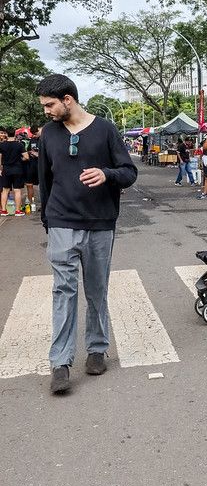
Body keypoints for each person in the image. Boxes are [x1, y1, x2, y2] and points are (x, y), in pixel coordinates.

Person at [35, 74, 138, 394]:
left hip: (100, 224)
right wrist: (47, 220)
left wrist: (106, 174)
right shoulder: (48, 135)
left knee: (96, 290)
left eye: (50, 104)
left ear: (68, 99)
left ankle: (96, 349)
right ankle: (60, 361)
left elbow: (128, 172)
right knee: (63, 291)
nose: (47, 111)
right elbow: (44, 181)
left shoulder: (106, 130)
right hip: (62, 221)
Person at [0, 128, 29, 216]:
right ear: (15, 134)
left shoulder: (2, 145)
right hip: (17, 169)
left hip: (6, 169)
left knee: (5, 190)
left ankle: (4, 211)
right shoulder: (19, 145)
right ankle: (17, 211)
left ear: (6, 134)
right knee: (17, 190)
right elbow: (26, 157)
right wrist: (20, 159)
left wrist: (0, 169)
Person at [24, 125, 40, 208]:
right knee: (29, 184)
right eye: (33, 133)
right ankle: (30, 203)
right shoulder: (32, 140)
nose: (34, 135)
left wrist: (38, 155)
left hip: (41, 166)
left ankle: (44, 204)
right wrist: (30, 152)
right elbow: (28, 150)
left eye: (35, 133)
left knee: (42, 185)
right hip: (32, 165)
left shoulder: (44, 140)